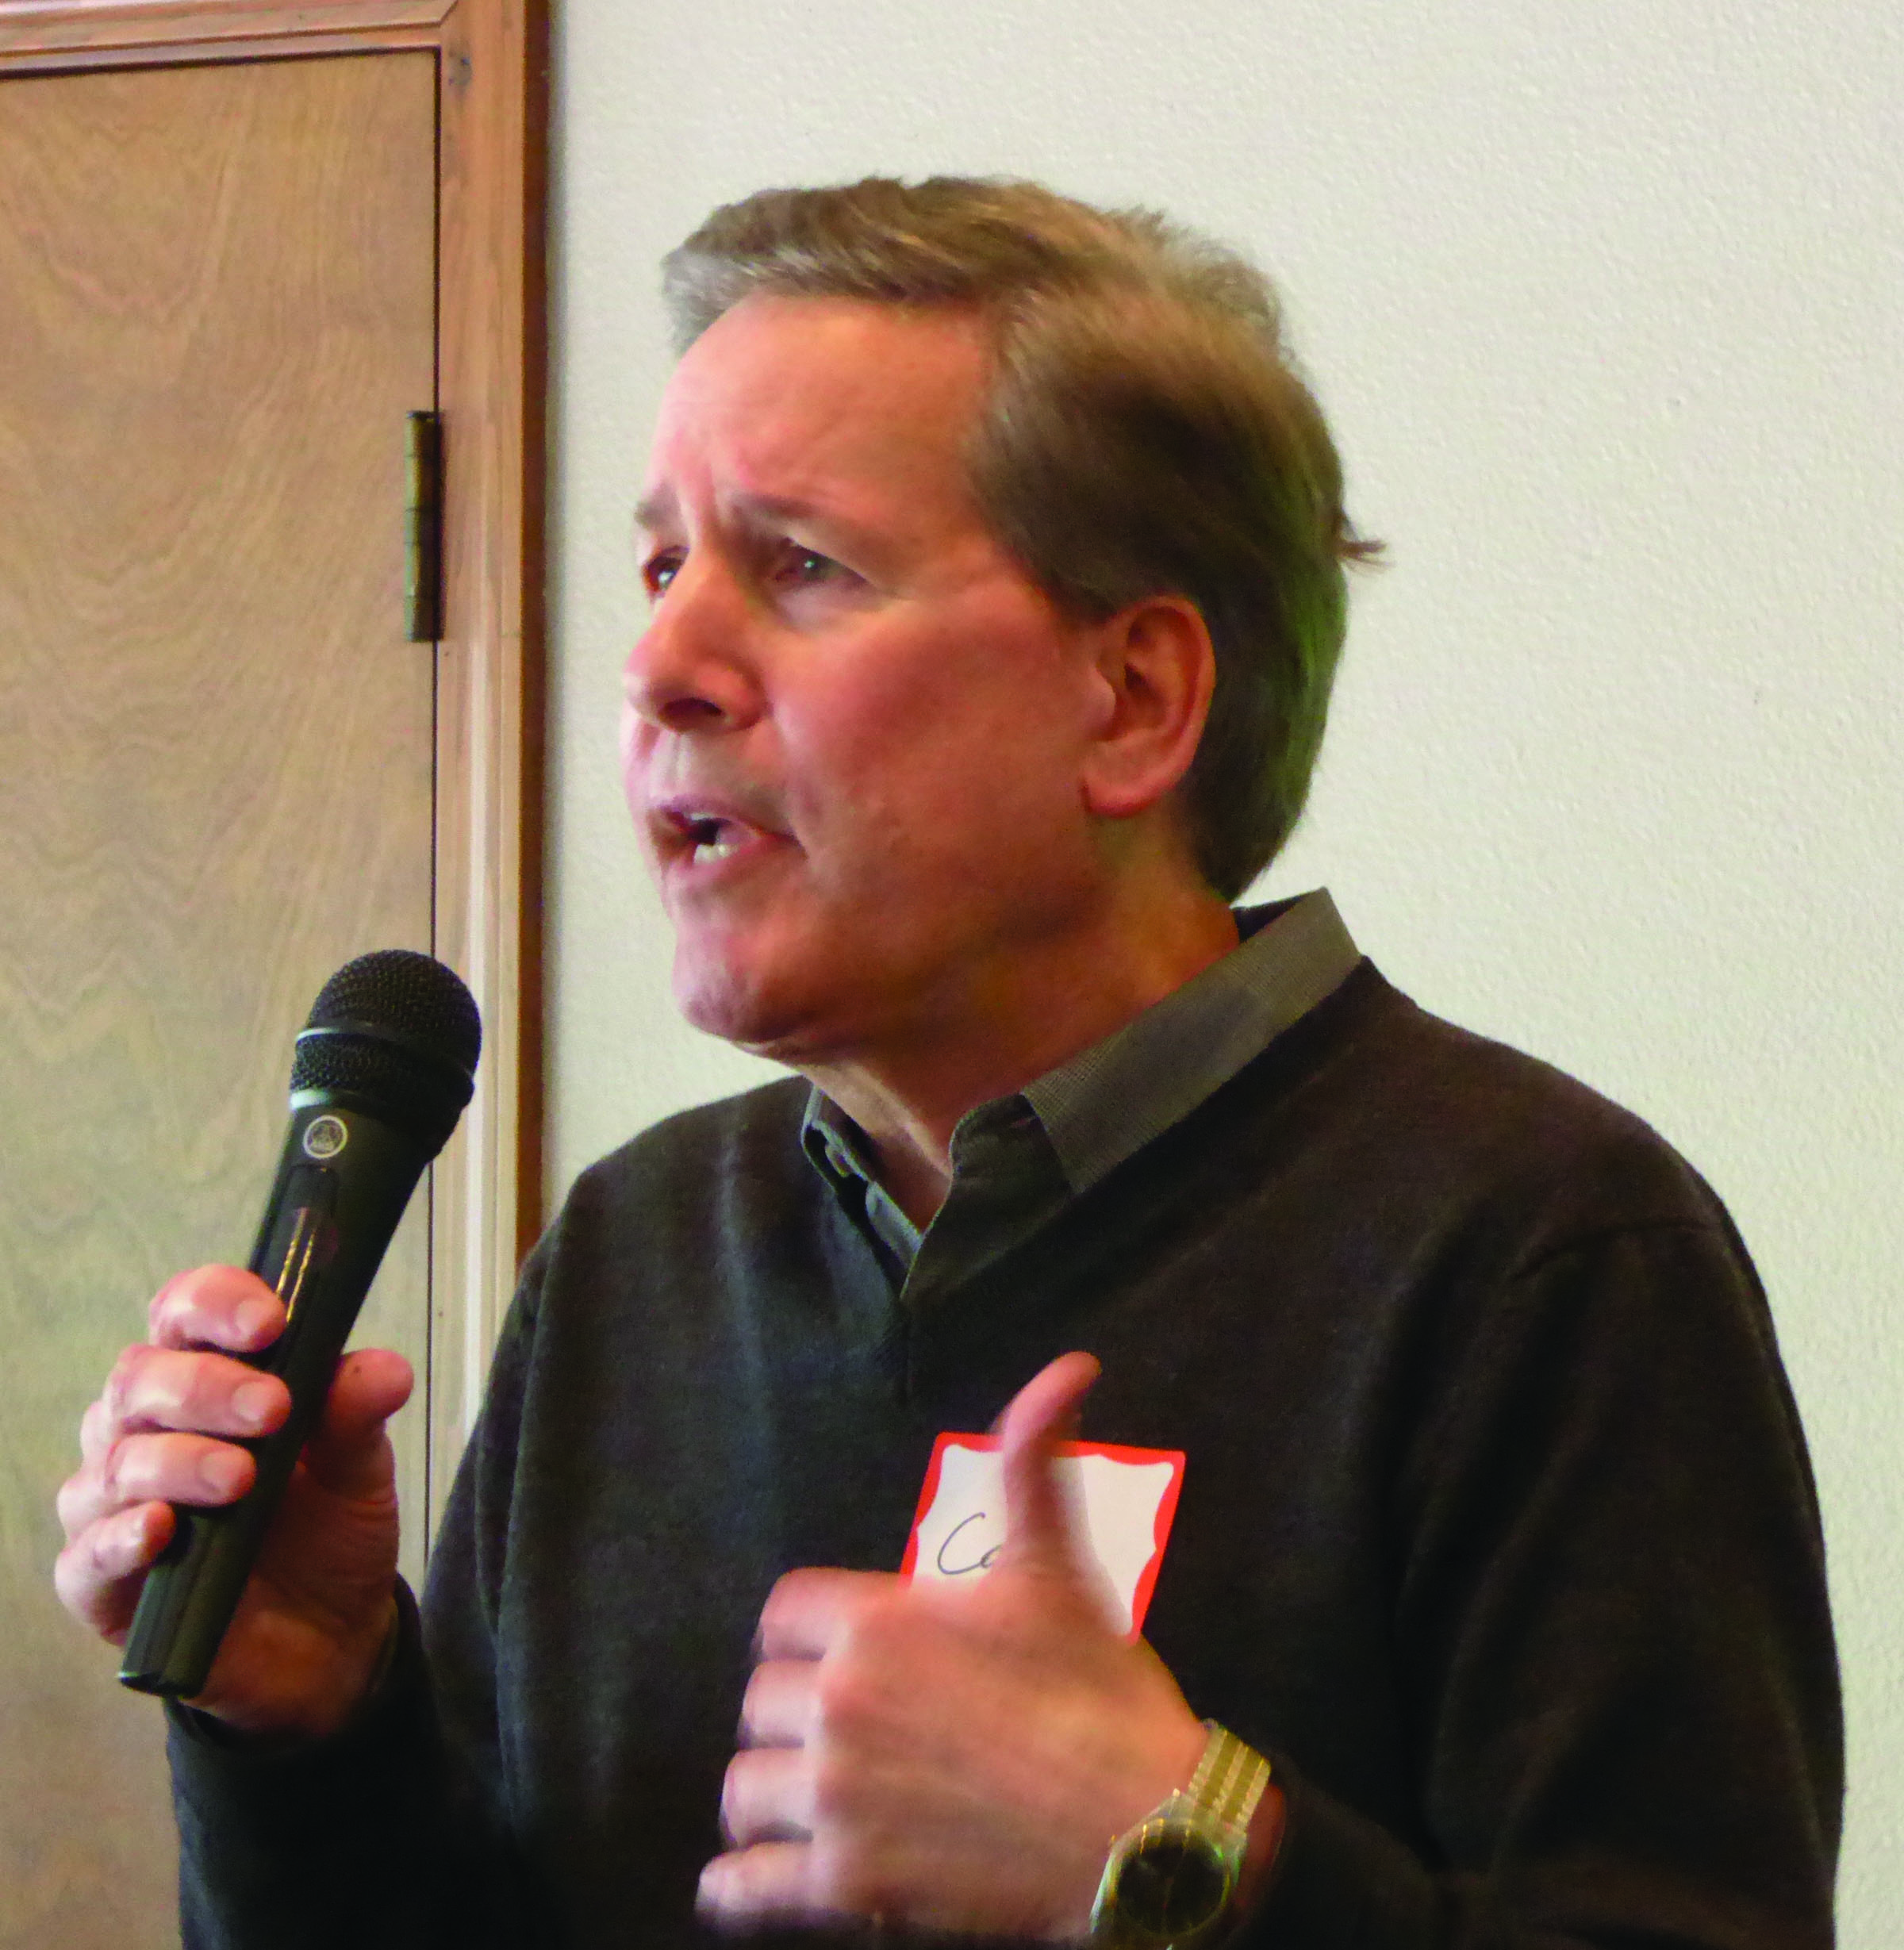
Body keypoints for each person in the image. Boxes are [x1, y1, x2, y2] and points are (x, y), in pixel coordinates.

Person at [56, 177, 1841, 1950]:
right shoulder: (636, 1250)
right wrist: (309, 1724)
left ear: (1131, 699)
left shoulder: (1539, 1250)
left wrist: (1186, 1857)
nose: (659, 661)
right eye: (663, 561)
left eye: (802, 565)